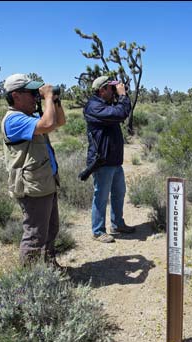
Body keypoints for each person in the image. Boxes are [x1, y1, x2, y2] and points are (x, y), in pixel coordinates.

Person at [1, 73, 66, 266]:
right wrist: (46, 98)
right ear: (16, 96)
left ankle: (48, 268)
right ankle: (28, 283)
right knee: (35, 235)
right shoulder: (13, 120)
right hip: (32, 187)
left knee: (51, 229)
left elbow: (59, 122)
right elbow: (48, 123)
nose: (35, 97)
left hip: (45, 182)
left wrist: (54, 100)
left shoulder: (29, 117)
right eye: (31, 93)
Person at [83, 75, 136, 243]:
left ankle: (117, 224)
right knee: (101, 196)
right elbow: (121, 113)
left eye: (115, 88)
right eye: (111, 88)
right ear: (102, 90)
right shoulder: (94, 107)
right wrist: (122, 96)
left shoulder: (104, 105)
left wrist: (121, 97)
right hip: (102, 161)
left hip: (113, 160)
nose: (114, 91)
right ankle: (98, 231)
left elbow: (121, 112)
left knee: (119, 193)